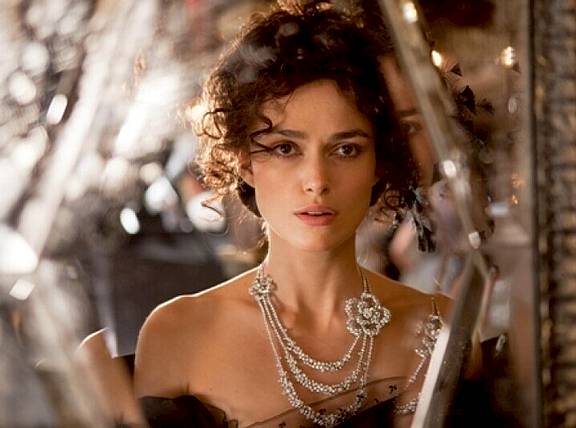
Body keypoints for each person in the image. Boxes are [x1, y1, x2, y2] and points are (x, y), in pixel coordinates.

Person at [133, 3, 473, 427]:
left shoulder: (444, 327)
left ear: (379, 163)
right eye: (285, 148)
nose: (316, 180)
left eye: (345, 149)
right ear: (243, 160)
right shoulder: (177, 334)